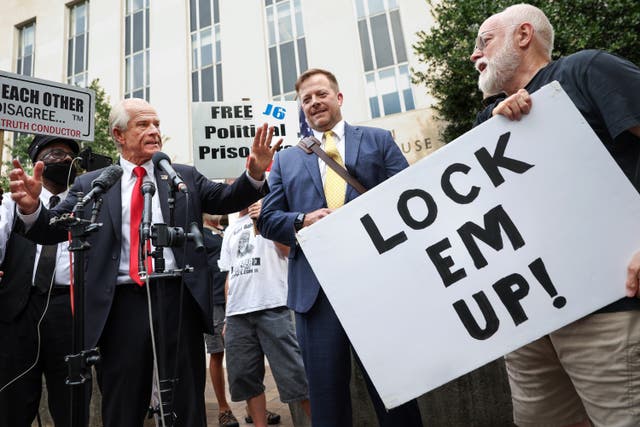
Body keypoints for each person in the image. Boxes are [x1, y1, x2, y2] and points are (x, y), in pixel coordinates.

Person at [8, 98, 281, 427]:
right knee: (123, 400)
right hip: (120, 304)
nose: (154, 131)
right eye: (143, 125)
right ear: (119, 135)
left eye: (156, 125)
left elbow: (228, 198)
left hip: (177, 298)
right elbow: (51, 229)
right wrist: (31, 207)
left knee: (186, 400)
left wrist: (253, 172)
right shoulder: (92, 184)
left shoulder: (183, 177)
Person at [470, 4, 640, 427]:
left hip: (610, 310)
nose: (474, 56)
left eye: (484, 41)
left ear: (523, 35)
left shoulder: (587, 71)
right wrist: (494, 134)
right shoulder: (485, 120)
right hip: (528, 325)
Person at [258, 68, 423, 427]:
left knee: (396, 393)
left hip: (377, 284)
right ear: (301, 108)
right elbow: (268, 219)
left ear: (339, 97)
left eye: (321, 94)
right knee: (327, 401)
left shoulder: (378, 140)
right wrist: (302, 220)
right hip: (316, 297)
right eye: (306, 99)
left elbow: (408, 199)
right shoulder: (285, 160)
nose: (314, 102)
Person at [0, 135, 79, 426]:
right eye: (55, 153)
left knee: (70, 404)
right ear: (38, 163)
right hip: (19, 308)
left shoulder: (85, 203)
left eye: (70, 156)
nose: (65, 160)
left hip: (68, 311)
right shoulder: (13, 201)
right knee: (13, 403)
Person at [221, 199, 310, 427]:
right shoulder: (231, 229)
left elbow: (289, 251)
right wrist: (226, 316)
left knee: (295, 376)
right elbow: (230, 273)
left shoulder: (275, 218)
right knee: (245, 378)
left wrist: (265, 222)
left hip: (273, 305)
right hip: (237, 313)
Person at [202, 213, 238, 427]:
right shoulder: (199, 234)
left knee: (245, 350)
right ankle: (223, 407)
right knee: (217, 353)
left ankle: (254, 404)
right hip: (214, 301)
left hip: (235, 298)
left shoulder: (226, 230)